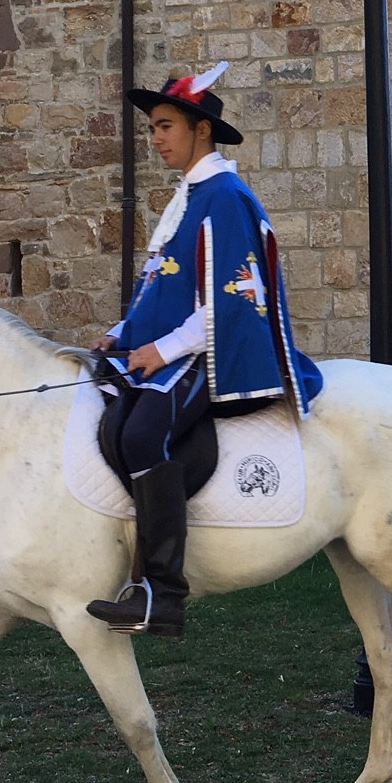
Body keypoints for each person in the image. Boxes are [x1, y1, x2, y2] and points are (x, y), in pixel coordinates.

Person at [84, 63, 325, 638]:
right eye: (152, 129)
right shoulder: (187, 198)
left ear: (202, 131)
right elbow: (163, 286)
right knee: (113, 423)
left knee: (142, 435)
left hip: (210, 352)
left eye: (166, 126)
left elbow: (237, 294)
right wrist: (122, 333)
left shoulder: (225, 197)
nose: (156, 139)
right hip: (173, 348)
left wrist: (163, 352)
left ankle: (164, 595)